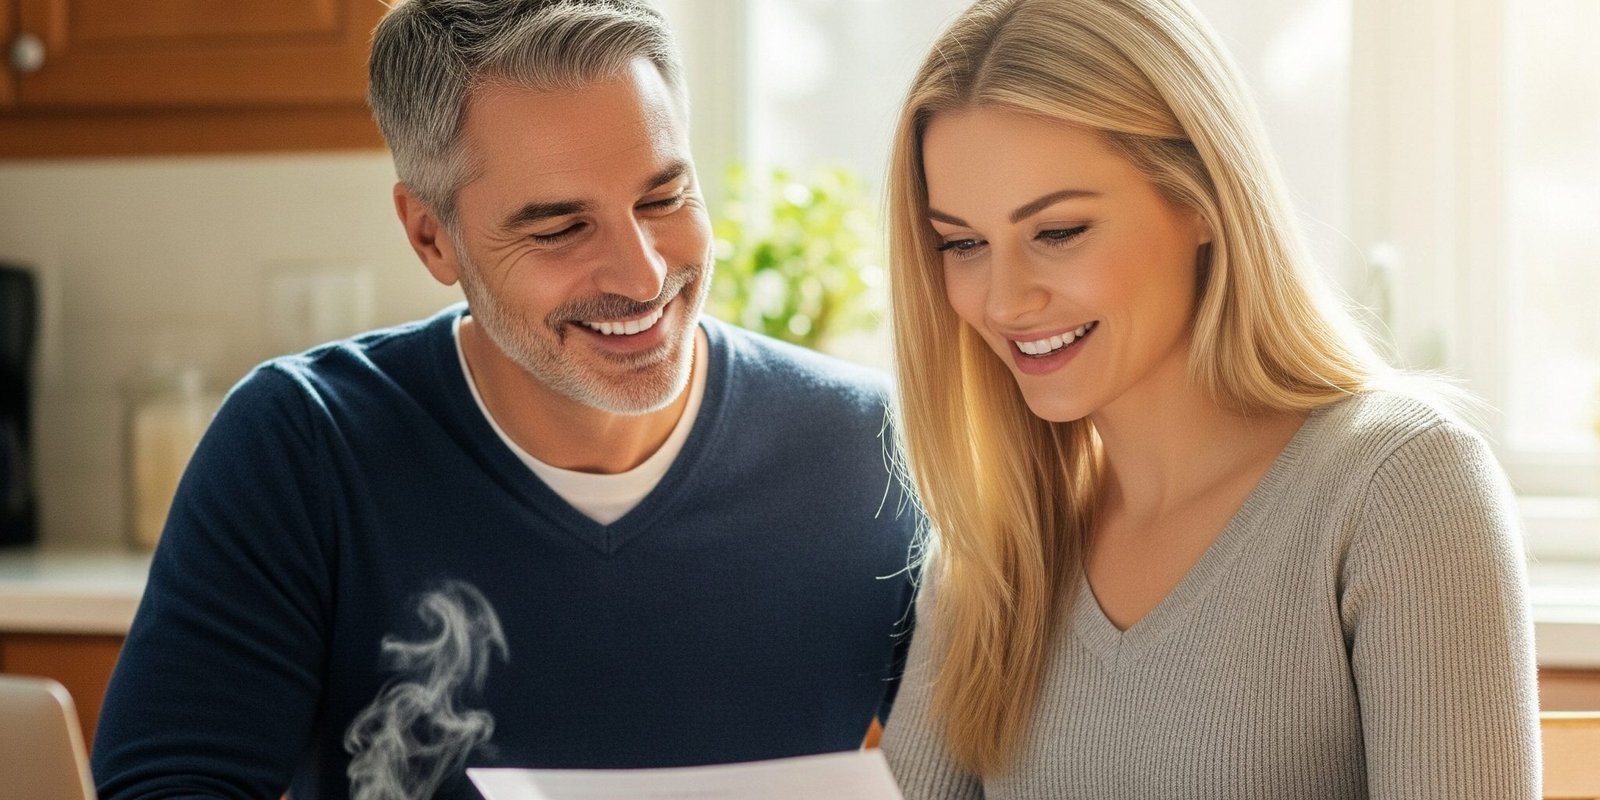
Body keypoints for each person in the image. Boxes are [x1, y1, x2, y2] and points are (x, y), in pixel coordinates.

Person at [90, 2, 916, 798]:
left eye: (664, 198)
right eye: (559, 229)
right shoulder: (303, 447)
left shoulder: (870, 450)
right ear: (431, 235)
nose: (644, 275)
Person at [878, 0, 1540, 797]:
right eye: (963, 244)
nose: (1007, 301)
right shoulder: (998, 545)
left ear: (1201, 199)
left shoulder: (1402, 486)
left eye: (1058, 232)